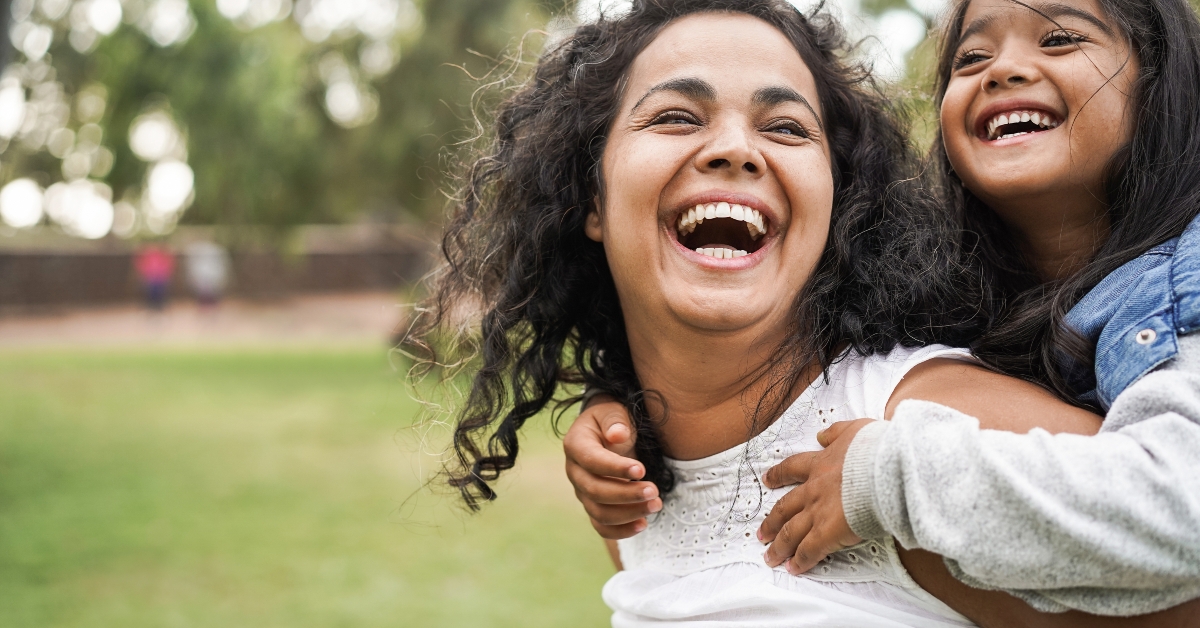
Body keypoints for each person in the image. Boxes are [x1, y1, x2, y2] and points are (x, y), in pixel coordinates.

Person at [407, 0, 1147, 625]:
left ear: (837, 202)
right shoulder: (633, 478)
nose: (734, 149)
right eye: (675, 116)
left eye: (787, 128)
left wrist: (897, 490)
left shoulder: (919, 434)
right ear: (590, 198)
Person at [134, 244, 174, 311]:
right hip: (151, 279)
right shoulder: (147, 257)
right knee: (150, 294)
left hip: (160, 278)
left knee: (161, 294)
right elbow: (142, 266)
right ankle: (152, 307)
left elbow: (167, 266)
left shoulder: (162, 256)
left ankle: (159, 307)